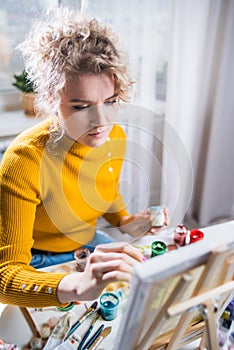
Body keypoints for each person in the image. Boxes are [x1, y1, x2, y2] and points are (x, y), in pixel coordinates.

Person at [0, 8, 168, 308]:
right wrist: (78, 287)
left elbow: (103, 190)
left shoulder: (113, 136)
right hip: (37, 261)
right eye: (81, 107)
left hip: (86, 244)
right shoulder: (23, 160)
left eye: (111, 102)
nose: (101, 122)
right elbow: (6, 277)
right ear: (52, 100)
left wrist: (128, 222)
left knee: (148, 293)